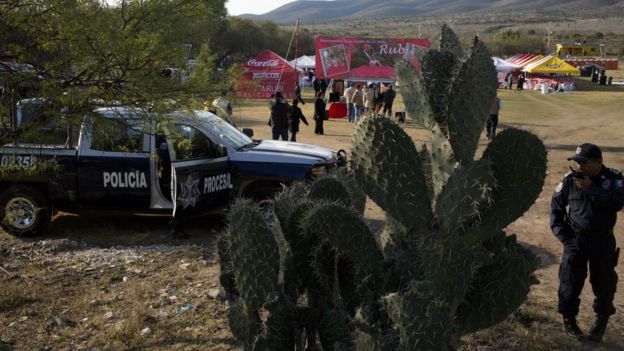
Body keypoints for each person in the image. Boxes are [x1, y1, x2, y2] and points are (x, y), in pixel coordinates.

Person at [550, 143, 623, 342]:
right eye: (577, 162)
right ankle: (569, 321)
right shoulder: (570, 181)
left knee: (604, 283)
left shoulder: (614, 179)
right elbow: (556, 209)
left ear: (599, 162)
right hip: (576, 240)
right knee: (570, 282)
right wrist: (565, 238)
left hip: (603, 241)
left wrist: (592, 189)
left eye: (584, 162)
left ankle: (600, 323)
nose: (579, 166)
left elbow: (618, 203)